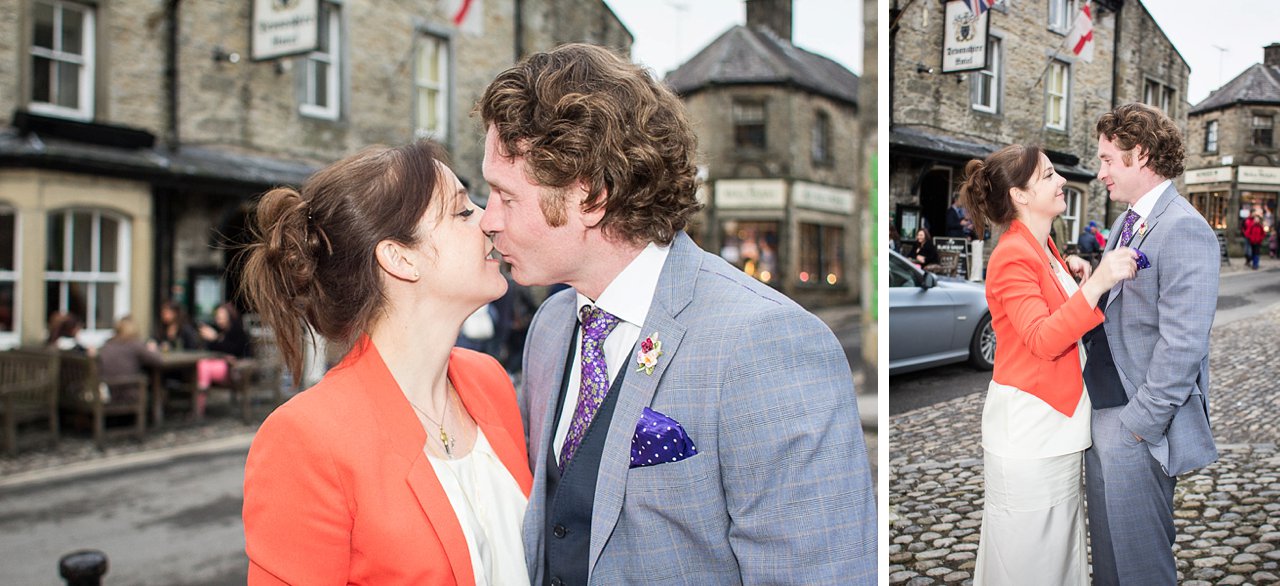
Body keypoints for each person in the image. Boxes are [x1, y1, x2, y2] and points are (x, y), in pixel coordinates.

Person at [476, 43, 875, 585]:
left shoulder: (765, 341)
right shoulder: (550, 326)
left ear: (591, 196)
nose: (487, 220)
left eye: (505, 195)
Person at [240, 141, 532, 584]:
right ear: (400, 258)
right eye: (461, 212)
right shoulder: (304, 440)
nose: (490, 220)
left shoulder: (488, 380)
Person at [961, 144, 1137, 585]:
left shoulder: (1044, 246)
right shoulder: (1011, 255)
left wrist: (1077, 276)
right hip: (1029, 431)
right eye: (1049, 175)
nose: (1062, 182)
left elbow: (1057, 310)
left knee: (1058, 553)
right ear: (1020, 196)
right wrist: (1097, 282)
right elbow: (1041, 339)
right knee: (1029, 559)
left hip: (1054, 430)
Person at [1084, 103, 1219, 585]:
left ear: (1139, 154)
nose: (1100, 172)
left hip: (1137, 424)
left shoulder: (1185, 228)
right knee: (1111, 565)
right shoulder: (1126, 223)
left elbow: (1183, 345)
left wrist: (1139, 425)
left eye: (1106, 159)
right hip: (1102, 413)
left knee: (1142, 567)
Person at [193, 302, 252, 418]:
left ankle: (200, 402)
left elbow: (235, 351)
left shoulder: (237, 331)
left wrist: (216, 338)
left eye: (221, 316)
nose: (218, 319)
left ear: (229, 316)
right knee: (201, 365)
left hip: (235, 371)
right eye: (217, 316)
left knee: (203, 366)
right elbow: (212, 350)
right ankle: (199, 399)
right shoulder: (220, 331)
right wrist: (210, 339)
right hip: (221, 367)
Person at [98, 316, 164, 404]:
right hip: (126, 393)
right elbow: (158, 361)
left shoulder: (108, 344)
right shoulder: (134, 345)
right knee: (150, 385)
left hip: (109, 391)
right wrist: (153, 349)